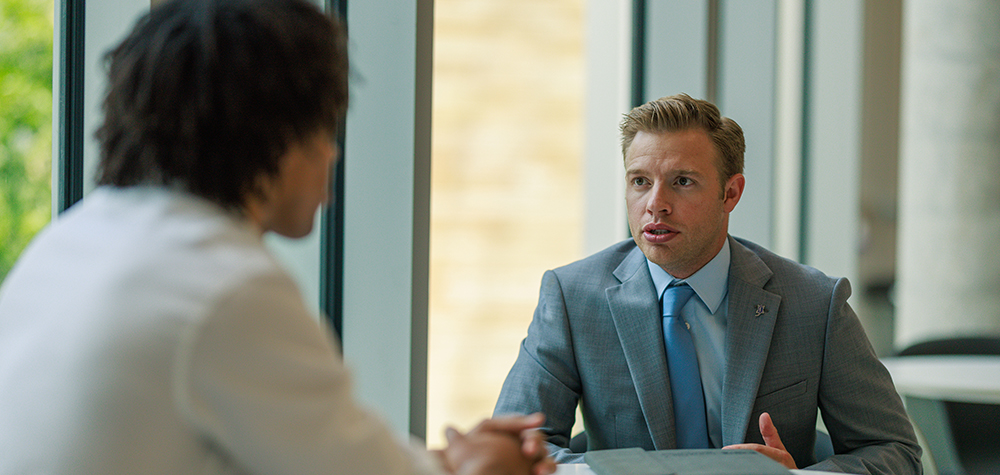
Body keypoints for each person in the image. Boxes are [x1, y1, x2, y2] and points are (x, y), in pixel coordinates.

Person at [0, 0, 556, 474]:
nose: (333, 155)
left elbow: (323, 454)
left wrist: (450, 460)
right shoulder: (225, 288)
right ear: (280, 132)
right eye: (327, 127)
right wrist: (484, 462)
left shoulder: (69, 245)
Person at [493, 94, 922, 474]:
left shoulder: (814, 302)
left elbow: (895, 452)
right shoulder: (572, 298)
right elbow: (512, 452)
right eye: (640, 181)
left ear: (730, 193)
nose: (655, 205)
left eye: (682, 182)